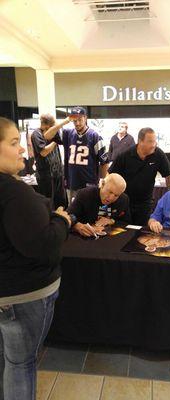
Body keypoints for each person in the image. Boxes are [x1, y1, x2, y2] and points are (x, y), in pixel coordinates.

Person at [0, 117, 71, 400]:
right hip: (23, 295)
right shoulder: (14, 192)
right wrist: (61, 221)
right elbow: (43, 245)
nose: (22, 149)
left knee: (7, 358)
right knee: (21, 363)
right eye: (14, 143)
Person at [109, 127, 170, 225]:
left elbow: (169, 176)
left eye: (154, 141)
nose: (153, 145)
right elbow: (111, 176)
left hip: (145, 204)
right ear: (140, 141)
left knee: (142, 233)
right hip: (125, 203)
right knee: (125, 231)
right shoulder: (125, 155)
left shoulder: (158, 154)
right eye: (150, 142)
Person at [43, 106, 109, 203]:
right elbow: (46, 136)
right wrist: (65, 121)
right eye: (74, 120)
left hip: (89, 184)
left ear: (85, 118)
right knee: (73, 213)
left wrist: (102, 180)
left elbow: (104, 162)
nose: (77, 123)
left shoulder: (95, 136)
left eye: (80, 120)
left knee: (88, 213)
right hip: (72, 183)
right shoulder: (67, 134)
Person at [31, 114, 67, 209]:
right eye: (52, 127)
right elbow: (43, 152)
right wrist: (54, 141)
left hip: (58, 173)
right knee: (48, 203)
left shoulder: (54, 132)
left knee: (61, 201)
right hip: (45, 175)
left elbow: (62, 141)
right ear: (47, 126)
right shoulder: (36, 134)